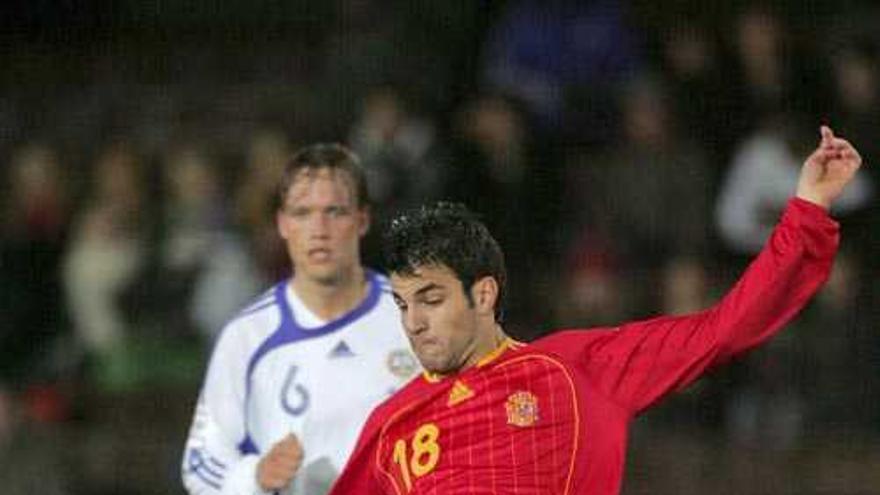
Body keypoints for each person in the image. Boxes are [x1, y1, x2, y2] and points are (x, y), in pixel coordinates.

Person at [327, 126, 861, 494]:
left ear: (483, 294)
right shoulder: (391, 425)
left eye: (431, 298)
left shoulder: (575, 371)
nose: (413, 321)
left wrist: (808, 211)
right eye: (402, 303)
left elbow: (725, 328)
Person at [181, 143, 419, 494]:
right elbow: (200, 463)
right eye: (303, 213)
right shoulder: (247, 336)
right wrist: (255, 475)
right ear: (282, 223)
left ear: (362, 219)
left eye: (335, 211)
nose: (319, 229)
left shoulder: (414, 317)